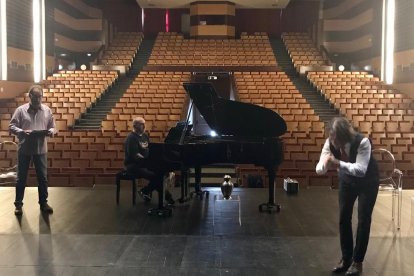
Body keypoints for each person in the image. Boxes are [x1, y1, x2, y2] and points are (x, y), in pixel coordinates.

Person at [316, 117, 379, 275]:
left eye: (336, 137)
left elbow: (360, 170)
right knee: (344, 218)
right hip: (346, 181)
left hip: (368, 182)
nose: (333, 140)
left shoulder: (363, 142)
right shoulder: (330, 141)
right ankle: (346, 259)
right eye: (331, 135)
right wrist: (324, 164)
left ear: (344, 135)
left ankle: (357, 262)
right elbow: (320, 169)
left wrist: (336, 163)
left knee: (364, 220)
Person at [9, 85, 57, 216]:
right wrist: (22, 132)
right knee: (21, 178)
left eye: (39, 97)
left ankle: (43, 203)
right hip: (25, 148)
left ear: (42, 96)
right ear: (29, 96)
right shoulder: (20, 110)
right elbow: (12, 126)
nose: (37, 99)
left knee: (42, 178)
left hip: (41, 149)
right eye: (35, 97)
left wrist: (51, 131)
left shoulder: (47, 110)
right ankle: (18, 204)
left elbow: (53, 127)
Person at [124, 117, 174, 204]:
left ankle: (146, 191)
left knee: (161, 173)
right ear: (135, 126)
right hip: (134, 165)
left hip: (145, 163)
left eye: (144, 124)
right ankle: (163, 196)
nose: (144, 126)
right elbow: (135, 155)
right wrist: (148, 162)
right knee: (157, 176)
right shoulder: (131, 138)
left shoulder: (145, 135)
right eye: (141, 124)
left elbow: (149, 149)